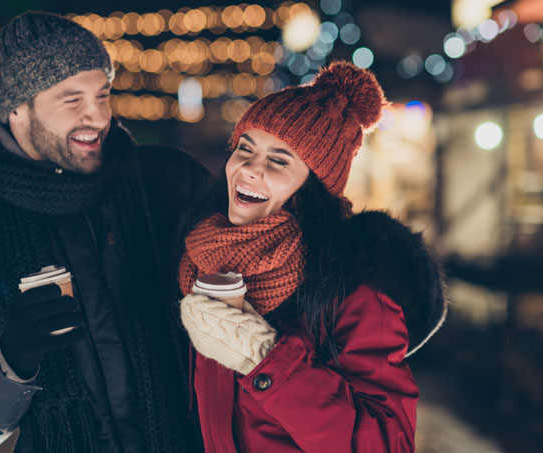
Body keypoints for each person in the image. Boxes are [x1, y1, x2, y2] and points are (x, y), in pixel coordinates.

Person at [0, 12, 207, 453]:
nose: (97, 116)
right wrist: (11, 360)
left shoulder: (169, 182)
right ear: (16, 108)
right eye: (71, 100)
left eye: (102, 94)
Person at [177, 61, 448, 452]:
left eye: (278, 160)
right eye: (244, 149)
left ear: (315, 185)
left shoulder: (354, 282)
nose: (250, 170)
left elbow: (386, 445)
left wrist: (262, 359)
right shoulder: (203, 256)